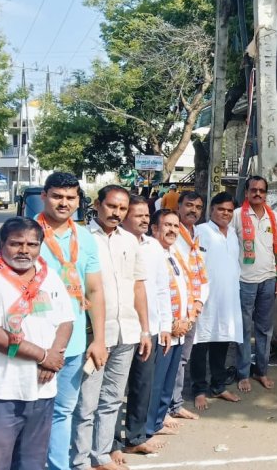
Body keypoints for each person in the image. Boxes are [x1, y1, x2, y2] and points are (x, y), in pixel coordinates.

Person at [0, 217, 74, 470]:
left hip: (42, 390)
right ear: (1, 243)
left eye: (32, 244)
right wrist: (42, 356)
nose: (24, 251)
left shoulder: (47, 275)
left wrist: (53, 358)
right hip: (0, 392)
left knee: (32, 464)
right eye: (16, 244)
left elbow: (66, 321)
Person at [72, 185, 151, 470]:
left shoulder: (130, 241)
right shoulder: (80, 238)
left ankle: (101, 455)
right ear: (97, 204)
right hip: (95, 335)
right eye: (111, 206)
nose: (116, 213)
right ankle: (79, 461)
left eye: (122, 208)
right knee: (86, 403)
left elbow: (138, 286)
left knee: (113, 399)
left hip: (127, 332)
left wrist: (144, 330)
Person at [37, 172, 107, 470]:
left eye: (70, 197)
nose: (63, 203)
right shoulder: (28, 234)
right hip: (35, 342)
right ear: (44, 196)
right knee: (32, 411)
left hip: (75, 342)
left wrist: (99, 339)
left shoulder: (85, 239)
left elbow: (94, 289)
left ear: (79, 201)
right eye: (57, 196)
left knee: (63, 411)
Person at [115, 195, 172, 456]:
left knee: (142, 384)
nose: (144, 219)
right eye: (138, 215)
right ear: (125, 216)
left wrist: (165, 326)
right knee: (114, 390)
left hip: (148, 328)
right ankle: (112, 443)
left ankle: (136, 437)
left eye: (147, 215)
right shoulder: (113, 244)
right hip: (121, 326)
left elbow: (162, 288)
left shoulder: (153, 247)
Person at [233, 176, 277, 392]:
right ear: (246, 193)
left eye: (261, 190)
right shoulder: (237, 216)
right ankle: (243, 373)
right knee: (244, 329)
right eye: (253, 190)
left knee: (264, 329)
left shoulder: (274, 217)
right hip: (243, 281)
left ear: (266, 194)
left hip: (268, 279)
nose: (258, 193)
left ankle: (262, 371)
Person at [145, 210, 195, 442]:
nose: (172, 230)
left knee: (168, 378)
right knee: (156, 381)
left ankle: (160, 416)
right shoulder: (149, 253)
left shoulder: (173, 253)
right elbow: (150, 294)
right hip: (162, 329)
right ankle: (149, 425)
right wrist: (170, 323)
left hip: (179, 327)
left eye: (176, 226)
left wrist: (186, 319)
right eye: (167, 225)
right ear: (154, 228)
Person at [192, 192, 243, 409]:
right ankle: (199, 390)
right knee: (200, 344)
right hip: (205, 299)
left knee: (222, 341)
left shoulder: (232, 233)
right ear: (211, 209)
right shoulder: (201, 231)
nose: (225, 213)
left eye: (230, 210)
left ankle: (218, 385)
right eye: (221, 209)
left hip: (228, 298)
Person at [169, 191, 208, 421]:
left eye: (198, 207)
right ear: (179, 207)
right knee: (170, 359)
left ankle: (175, 404)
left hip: (193, 306)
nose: (193, 210)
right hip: (175, 309)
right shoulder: (172, 234)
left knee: (182, 358)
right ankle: (165, 408)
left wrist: (199, 302)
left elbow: (201, 274)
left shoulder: (196, 235)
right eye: (189, 205)